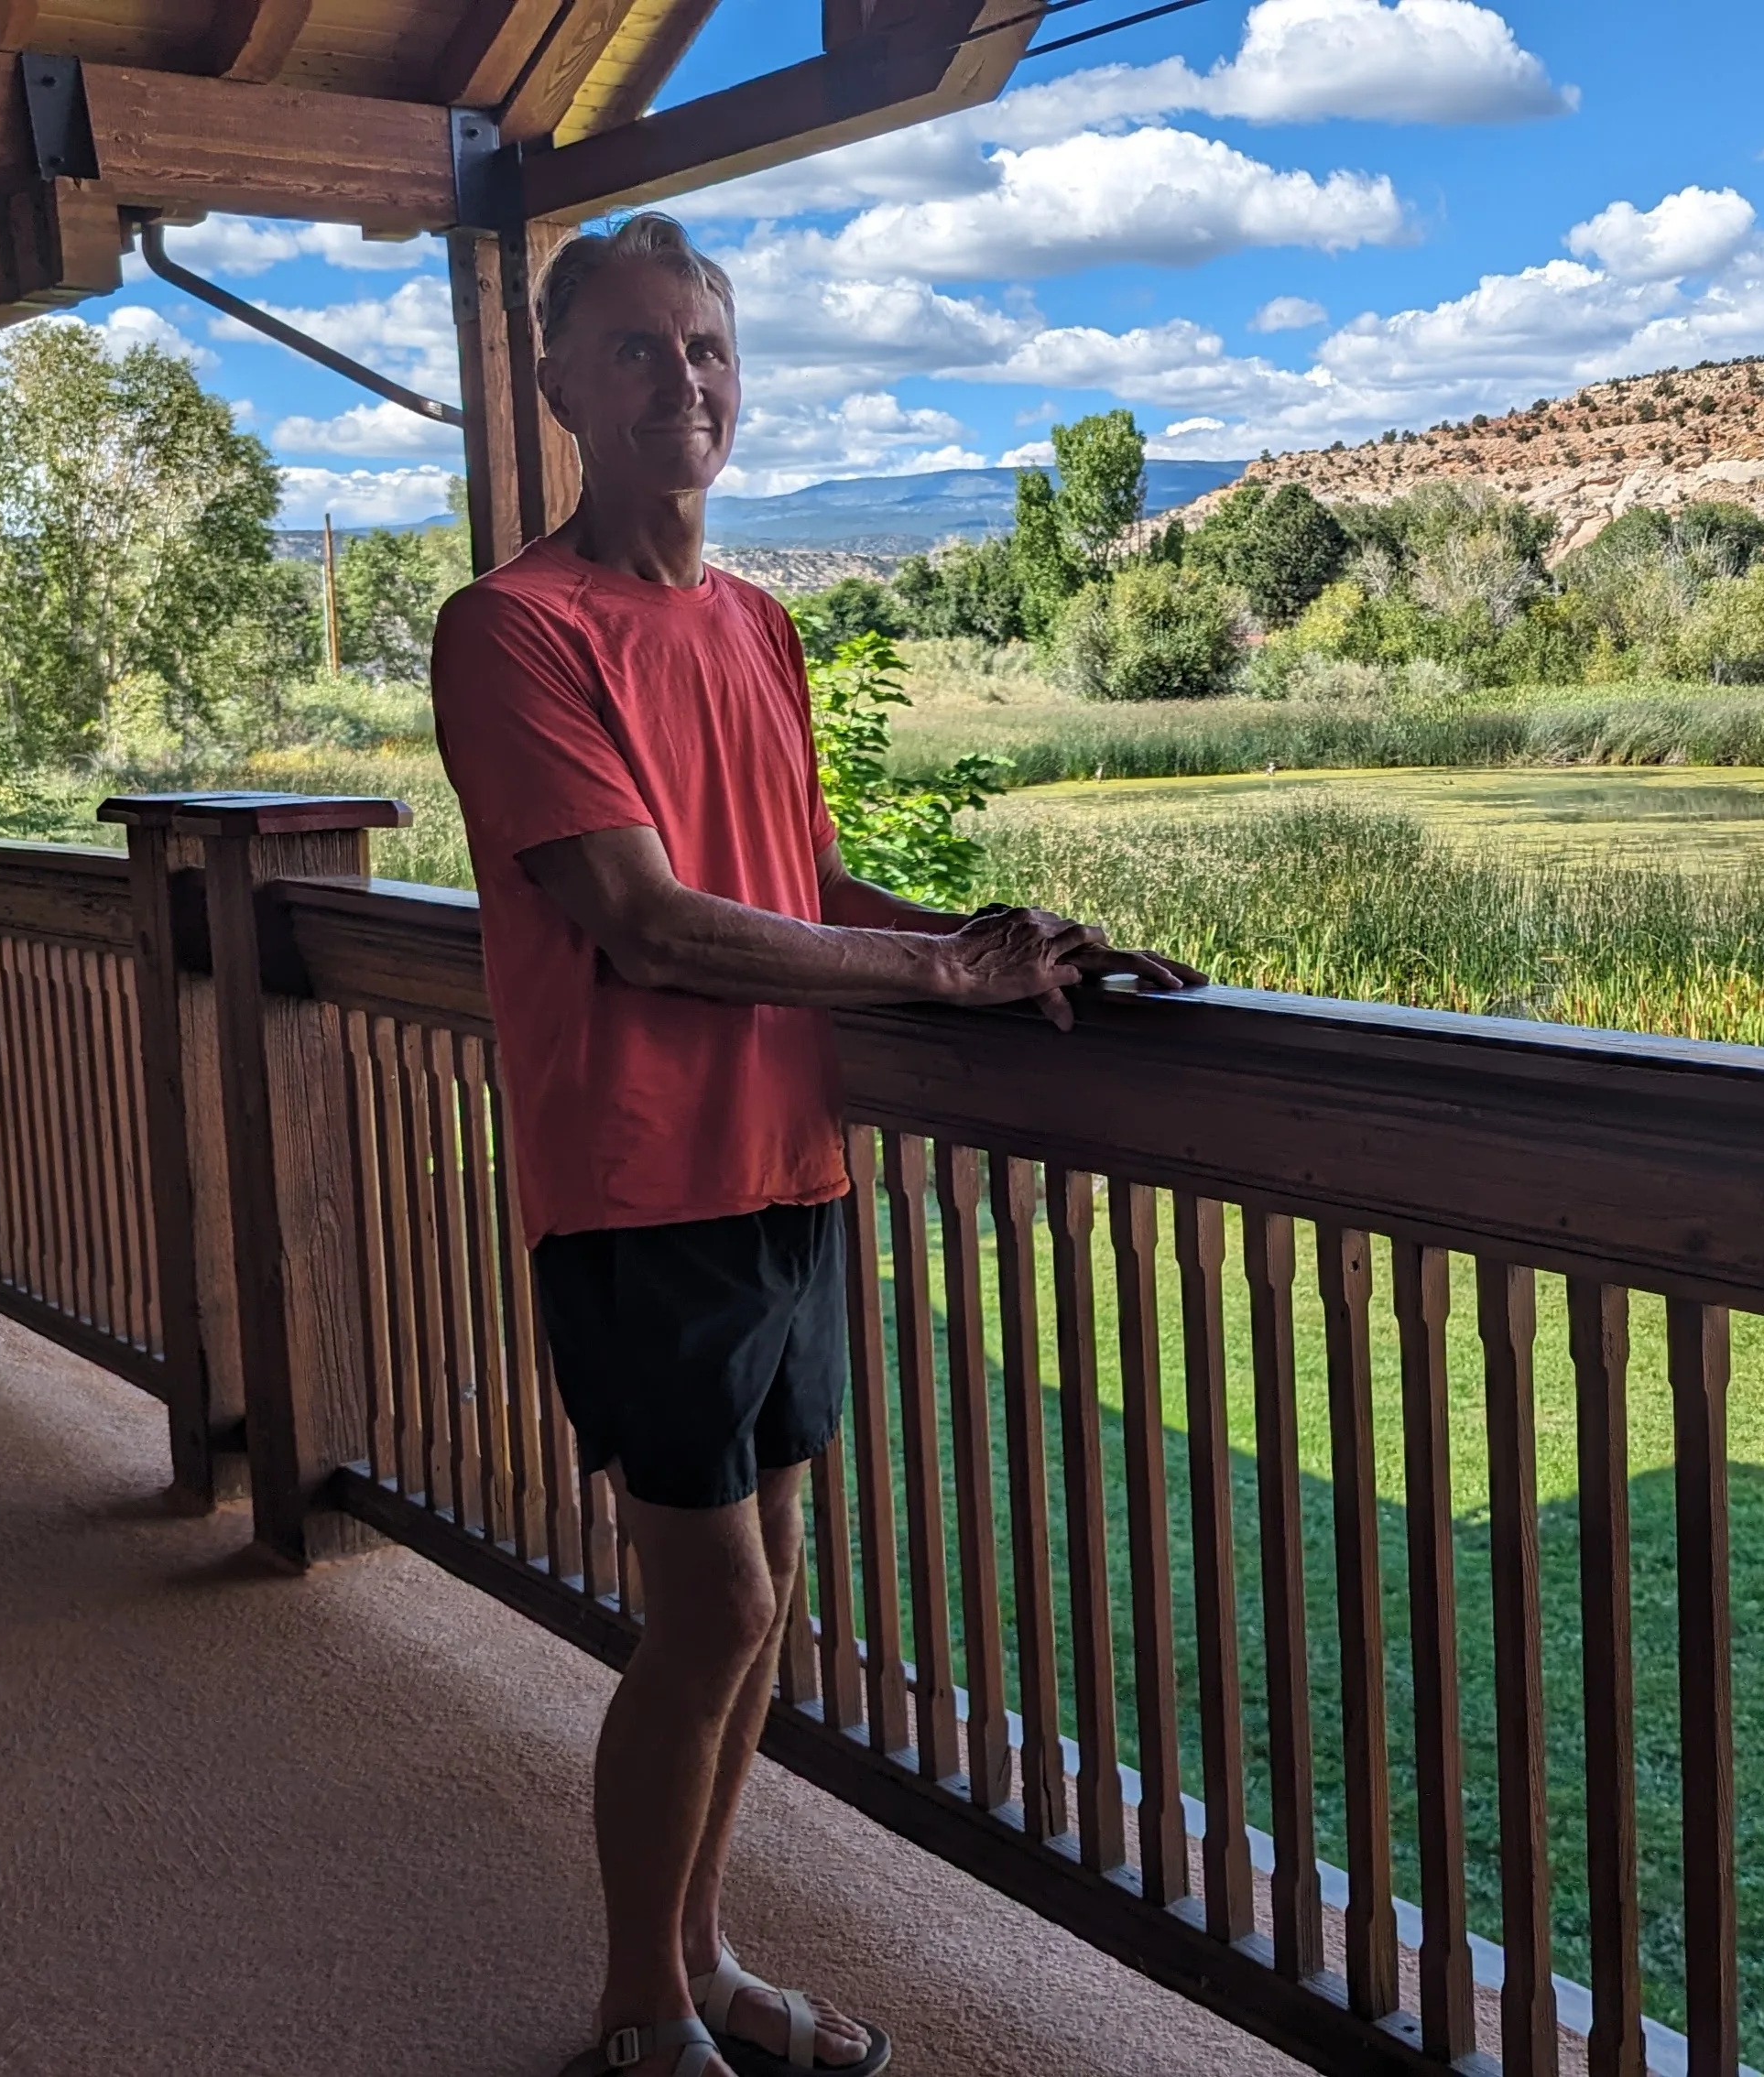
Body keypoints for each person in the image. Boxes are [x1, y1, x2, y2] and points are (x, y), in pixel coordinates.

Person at [429, 212, 1201, 2077]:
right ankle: (636, 2008)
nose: (680, 381)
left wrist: (996, 944)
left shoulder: (758, 626)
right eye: (633, 351)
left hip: (789, 1165)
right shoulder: (513, 630)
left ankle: (703, 1963)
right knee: (718, 1607)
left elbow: (789, 887)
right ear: (556, 387)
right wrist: (923, 968)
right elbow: (649, 921)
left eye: (704, 346)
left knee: (759, 1613)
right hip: (636, 1187)